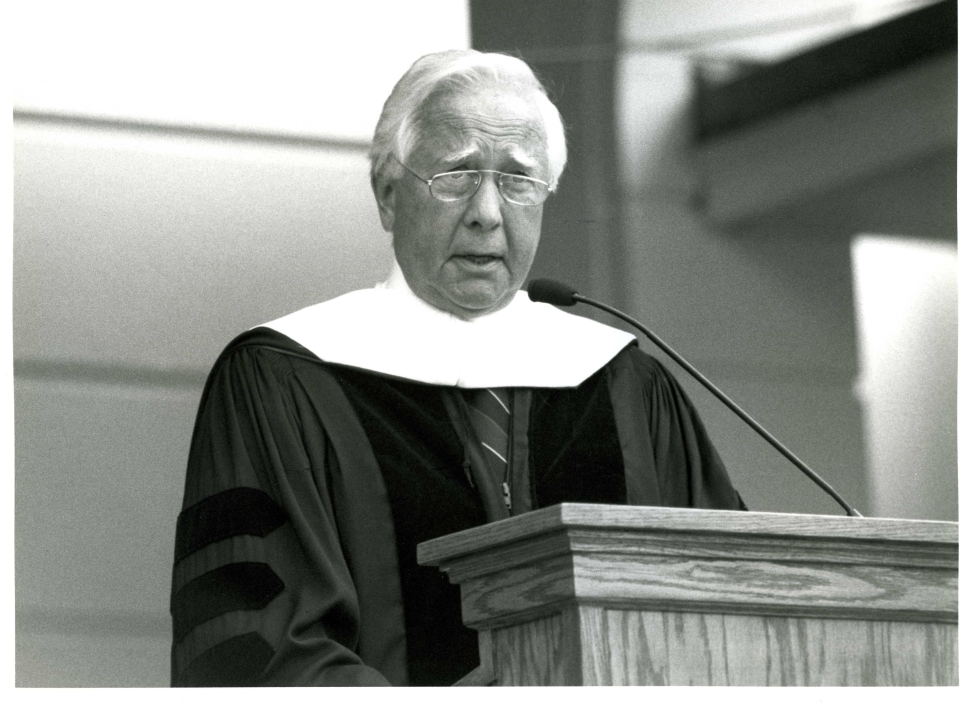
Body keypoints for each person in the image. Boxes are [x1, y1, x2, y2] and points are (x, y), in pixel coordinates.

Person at [169, 49, 745, 687]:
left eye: (519, 180)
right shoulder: (285, 378)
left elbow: (730, 613)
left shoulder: (627, 386)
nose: (488, 212)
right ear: (389, 195)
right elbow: (255, 651)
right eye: (457, 173)